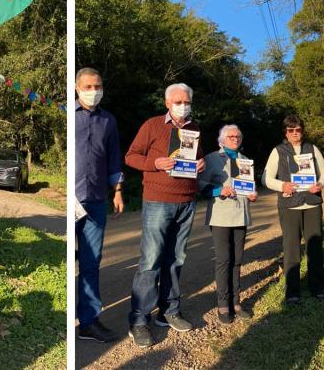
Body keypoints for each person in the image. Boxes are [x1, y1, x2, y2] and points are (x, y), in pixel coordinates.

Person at [124, 83, 205, 348]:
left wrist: (201, 164)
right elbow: (131, 156)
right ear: (167, 103)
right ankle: (139, 319)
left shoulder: (194, 130)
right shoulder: (153, 125)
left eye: (187, 101)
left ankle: (168, 311)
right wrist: (154, 163)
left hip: (187, 202)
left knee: (176, 259)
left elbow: (197, 161)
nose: (183, 105)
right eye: (178, 101)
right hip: (158, 201)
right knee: (151, 261)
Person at [74, 67, 125, 343]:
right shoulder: (67, 116)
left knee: (91, 263)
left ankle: (89, 322)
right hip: (70, 201)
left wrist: (117, 191)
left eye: (98, 86)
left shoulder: (109, 121)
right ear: (76, 87)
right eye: (89, 86)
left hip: (96, 201)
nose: (94, 91)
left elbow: (114, 158)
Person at [263, 115, 324, 304]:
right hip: (289, 205)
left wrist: (320, 183)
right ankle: (292, 290)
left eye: (298, 129)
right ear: (285, 132)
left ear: (302, 130)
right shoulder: (278, 151)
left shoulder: (312, 148)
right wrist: (282, 185)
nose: (295, 133)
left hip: (312, 203)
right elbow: (266, 178)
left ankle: (317, 287)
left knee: (314, 246)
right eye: (290, 130)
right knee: (291, 247)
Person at [198, 125, 257, 324]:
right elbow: (200, 184)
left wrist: (252, 193)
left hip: (241, 215)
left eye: (238, 136)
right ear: (221, 139)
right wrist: (218, 191)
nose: (235, 138)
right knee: (224, 260)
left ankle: (236, 302)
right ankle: (223, 305)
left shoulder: (245, 160)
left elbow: (249, 186)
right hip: (221, 215)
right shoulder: (212, 158)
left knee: (238, 259)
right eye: (230, 136)